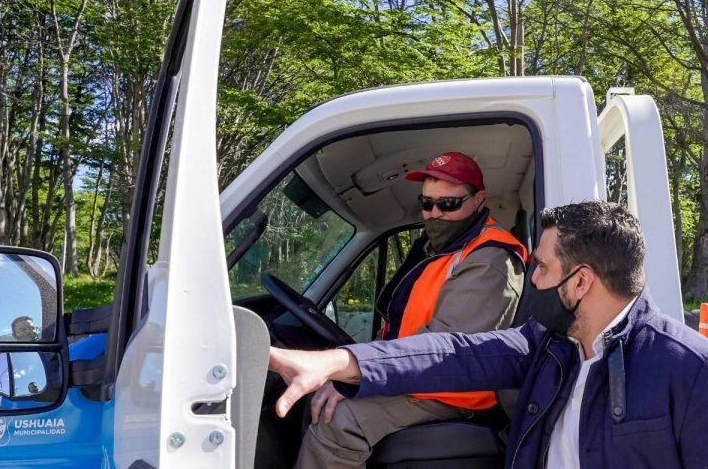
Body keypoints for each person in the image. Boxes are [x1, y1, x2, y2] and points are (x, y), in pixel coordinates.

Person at [271, 201, 708, 468]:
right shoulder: (550, 344)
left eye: (540, 267)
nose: (530, 277)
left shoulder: (689, 370)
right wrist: (337, 361)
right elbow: (456, 353)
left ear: (580, 283)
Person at [295, 151, 527, 468]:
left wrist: (358, 375)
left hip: (454, 389)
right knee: (322, 396)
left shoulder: (490, 259)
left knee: (338, 418)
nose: (435, 213)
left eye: (448, 204)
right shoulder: (440, 247)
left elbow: (447, 352)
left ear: (478, 199)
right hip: (420, 375)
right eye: (427, 203)